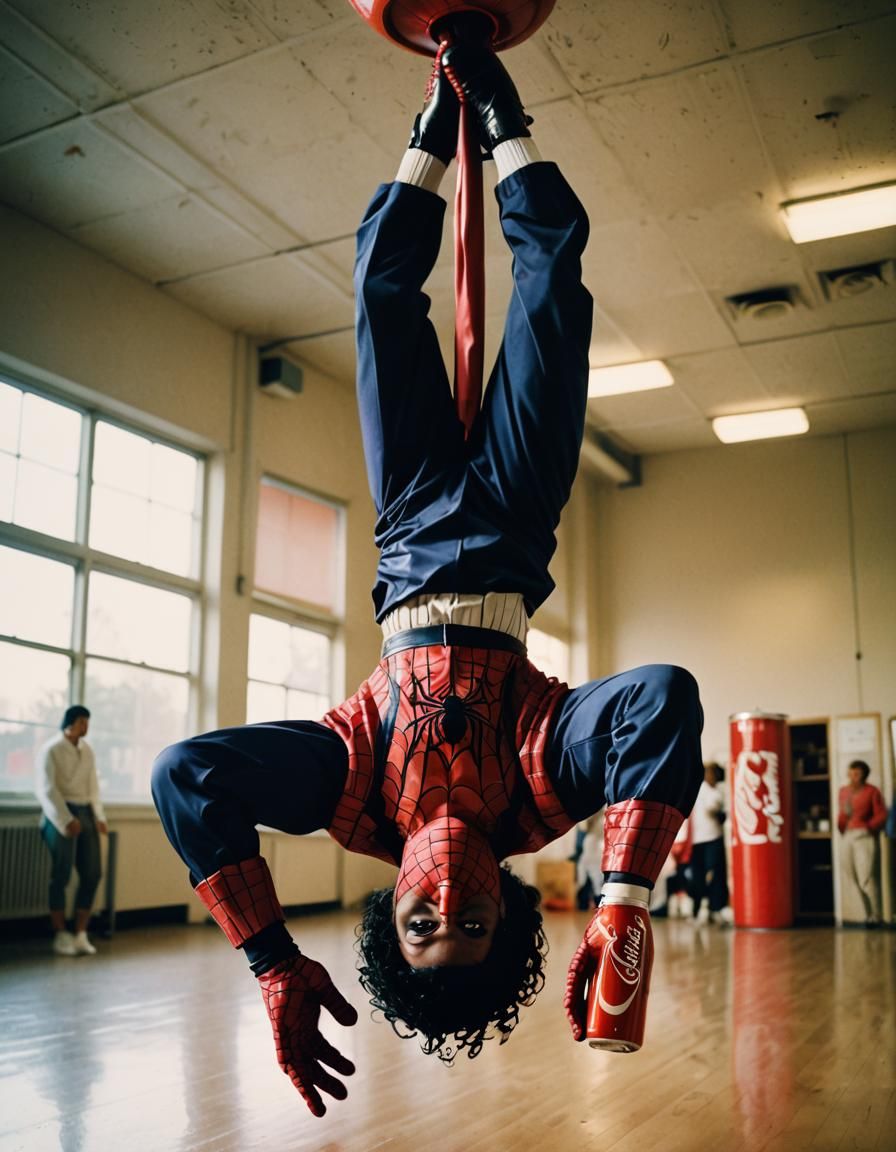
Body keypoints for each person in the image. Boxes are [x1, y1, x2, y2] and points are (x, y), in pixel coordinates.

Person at [152, 18, 704, 1119]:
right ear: (506, 906)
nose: (446, 895)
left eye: (419, 924)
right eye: (471, 923)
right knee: (552, 282)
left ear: (386, 906)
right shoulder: (537, 797)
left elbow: (188, 782)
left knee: (374, 295)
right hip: (512, 514)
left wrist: (268, 958)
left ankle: (431, 128)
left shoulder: (353, 796)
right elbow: (658, 705)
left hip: (407, 524)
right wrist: (626, 899)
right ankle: (499, 116)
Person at [34, 704, 108, 956]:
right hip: (59, 813)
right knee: (61, 874)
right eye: (81, 722)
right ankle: (60, 933)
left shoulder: (88, 751)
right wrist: (65, 819)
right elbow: (46, 790)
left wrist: (99, 816)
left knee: (93, 872)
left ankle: (80, 933)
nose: (85, 727)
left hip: (85, 811)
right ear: (70, 722)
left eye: (87, 722)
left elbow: (93, 787)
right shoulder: (52, 750)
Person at [837, 759, 887, 925]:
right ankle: (865, 915)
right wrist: (841, 826)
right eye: (851, 773)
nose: (853, 777)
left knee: (866, 878)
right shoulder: (843, 792)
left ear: (864, 775)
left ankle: (876, 915)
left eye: (856, 774)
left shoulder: (872, 791)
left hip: (863, 836)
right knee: (850, 876)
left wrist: (868, 827)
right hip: (848, 836)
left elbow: (881, 815)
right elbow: (842, 814)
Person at [688, 762, 731, 925]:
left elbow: (717, 811)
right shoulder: (703, 790)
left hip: (712, 838)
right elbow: (711, 808)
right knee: (700, 876)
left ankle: (715, 909)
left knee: (715, 875)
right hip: (700, 840)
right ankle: (701, 909)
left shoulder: (716, 791)